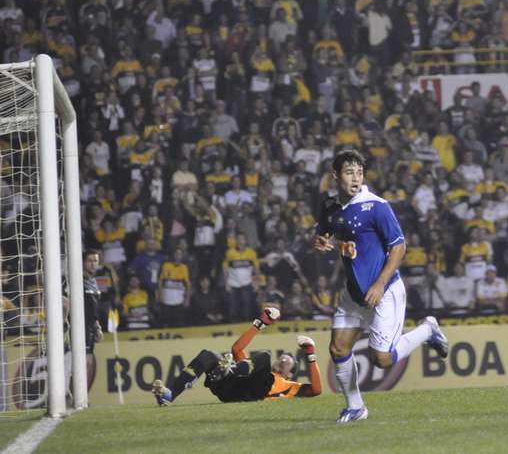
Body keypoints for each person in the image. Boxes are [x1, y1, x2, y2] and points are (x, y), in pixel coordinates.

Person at [313, 150, 448, 424]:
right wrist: (321, 241)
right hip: (353, 293)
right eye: (349, 172)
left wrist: (379, 284)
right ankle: (355, 407)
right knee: (338, 349)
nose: (355, 177)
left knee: (382, 360)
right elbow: (324, 233)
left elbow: (399, 247)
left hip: (384, 292)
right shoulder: (330, 205)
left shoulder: (376, 206)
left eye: (359, 172)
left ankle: (427, 330)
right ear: (335, 176)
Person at [151, 308, 321, 405]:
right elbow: (237, 348)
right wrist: (260, 323)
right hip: (232, 388)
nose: (281, 360)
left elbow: (316, 390)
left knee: (264, 356)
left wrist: (310, 354)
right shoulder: (252, 369)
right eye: (281, 358)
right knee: (207, 355)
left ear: (290, 373)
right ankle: (169, 395)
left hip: (255, 392)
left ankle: (227, 370)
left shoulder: (290, 386)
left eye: (285, 361)